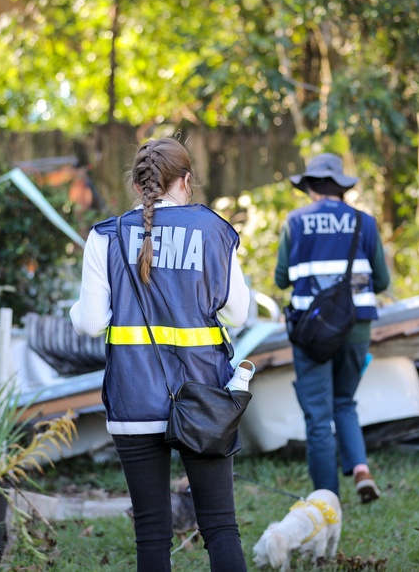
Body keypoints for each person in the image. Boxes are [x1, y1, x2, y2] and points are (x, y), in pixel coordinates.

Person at [70, 137, 251, 572]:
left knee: (151, 531)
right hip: (204, 400)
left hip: (133, 399)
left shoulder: (104, 237)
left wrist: (75, 309)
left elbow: (92, 322)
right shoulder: (213, 230)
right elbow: (238, 313)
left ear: (137, 183)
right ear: (187, 181)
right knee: (221, 527)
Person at [274, 153, 391, 504]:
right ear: (341, 187)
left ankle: (327, 498)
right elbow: (381, 281)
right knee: (344, 401)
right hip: (356, 327)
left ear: (310, 187)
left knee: (318, 416)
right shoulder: (365, 223)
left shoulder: (295, 222)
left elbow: (281, 279)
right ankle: (360, 470)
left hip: (312, 332)